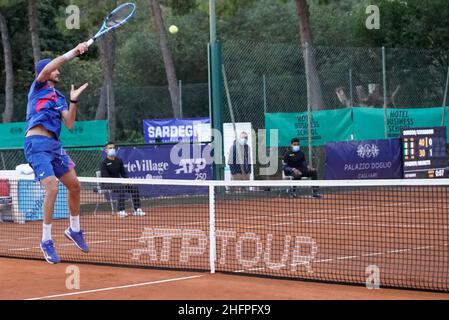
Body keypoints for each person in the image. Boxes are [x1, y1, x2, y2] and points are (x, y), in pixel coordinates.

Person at [24, 42, 90, 264]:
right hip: (36, 143)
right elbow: (50, 67)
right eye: (55, 69)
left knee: (75, 186)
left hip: (55, 145)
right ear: (47, 71)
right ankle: (46, 241)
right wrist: (74, 51)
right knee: (52, 187)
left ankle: (74, 229)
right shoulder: (39, 86)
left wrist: (73, 101)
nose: (59, 71)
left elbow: (69, 124)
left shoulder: (59, 96)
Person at [100, 142, 145, 218]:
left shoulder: (119, 161)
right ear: (106, 150)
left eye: (113, 148)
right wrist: (119, 182)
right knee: (121, 188)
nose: (112, 149)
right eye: (110, 148)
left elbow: (124, 173)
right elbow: (105, 177)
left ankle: (137, 209)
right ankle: (121, 210)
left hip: (119, 183)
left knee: (134, 188)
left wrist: (127, 181)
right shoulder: (104, 163)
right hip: (107, 184)